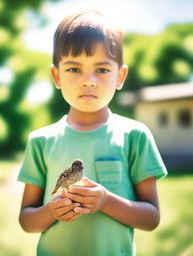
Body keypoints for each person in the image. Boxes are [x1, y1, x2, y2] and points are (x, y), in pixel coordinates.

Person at [18, 11, 167, 256]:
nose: (89, 81)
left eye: (102, 69)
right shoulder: (40, 141)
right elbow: (27, 221)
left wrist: (106, 201)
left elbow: (151, 218)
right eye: (74, 69)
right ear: (57, 76)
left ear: (120, 76)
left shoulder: (135, 135)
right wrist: (51, 211)